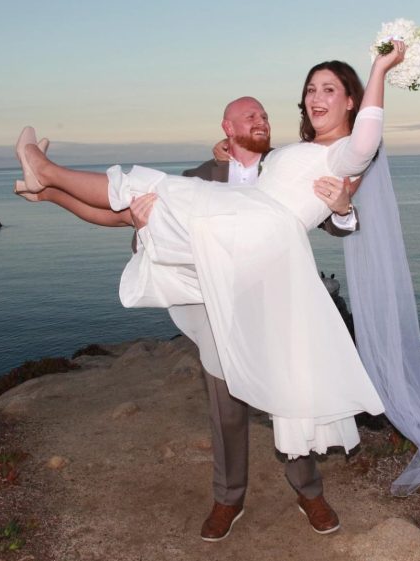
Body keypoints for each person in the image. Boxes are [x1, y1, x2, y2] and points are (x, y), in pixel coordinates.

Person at [14, 40, 420, 532]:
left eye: (328, 89)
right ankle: (43, 187)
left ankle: (310, 493)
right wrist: (144, 218)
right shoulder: (249, 164)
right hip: (223, 273)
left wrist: (379, 72)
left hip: (268, 272)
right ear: (229, 132)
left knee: (290, 385)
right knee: (141, 202)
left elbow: (354, 168)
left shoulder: (342, 158)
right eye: (309, 90)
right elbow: (126, 216)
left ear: (350, 100)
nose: (311, 99)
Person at [128, 95, 359, 541]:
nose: (263, 121)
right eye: (251, 116)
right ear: (228, 127)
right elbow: (165, 221)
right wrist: (141, 227)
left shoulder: (290, 165)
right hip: (222, 307)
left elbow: (336, 222)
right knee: (226, 409)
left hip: (281, 304)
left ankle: (309, 492)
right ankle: (228, 498)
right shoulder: (203, 176)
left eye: (266, 116)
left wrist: (346, 209)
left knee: (295, 399)